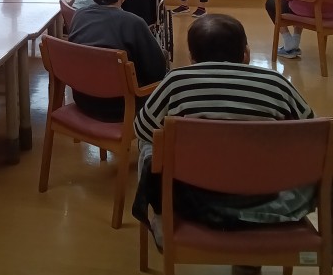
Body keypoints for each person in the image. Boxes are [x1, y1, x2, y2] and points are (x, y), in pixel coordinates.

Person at [132, 14, 315, 248]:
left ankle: (162, 216)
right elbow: (311, 132)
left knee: (150, 143)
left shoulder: (177, 81)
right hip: (265, 196)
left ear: (192, 58)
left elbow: (142, 128)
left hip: (191, 196)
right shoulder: (275, 83)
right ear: (246, 53)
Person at [68, 0, 167, 121]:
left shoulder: (78, 16)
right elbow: (157, 72)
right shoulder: (134, 23)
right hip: (123, 105)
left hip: (83, 99)